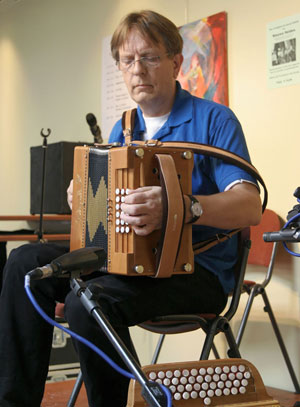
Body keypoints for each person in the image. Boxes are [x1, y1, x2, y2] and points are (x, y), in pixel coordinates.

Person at [0, 10, 262, 407]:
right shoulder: (122, 128)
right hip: (127, 261)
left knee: (89, 299)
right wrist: (86, 201)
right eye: (127, 60)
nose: (137, 69)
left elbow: (249, 206)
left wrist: (181, 207)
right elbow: (112, 212)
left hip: (197, 271)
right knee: (23, 263)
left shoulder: (214, 119)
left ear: (176, 63)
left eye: (150, 57)